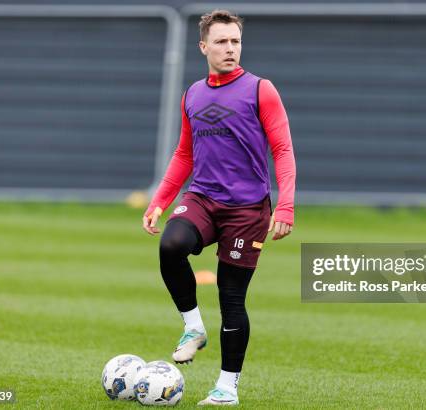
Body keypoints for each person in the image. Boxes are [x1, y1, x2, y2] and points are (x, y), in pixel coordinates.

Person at [142, 9, 296, 406]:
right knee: (171, 246)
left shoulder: (261, 89)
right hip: (203, 199)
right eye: (222, 41)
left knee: (231, 300)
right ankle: (193, 328)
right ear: (204, 46)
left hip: (247, 211)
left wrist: (286, 206)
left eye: (236, 41)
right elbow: (183, 153)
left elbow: (282, 150)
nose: (230, 49)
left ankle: (226, 388)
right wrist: (160, 201)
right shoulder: (192, 94)